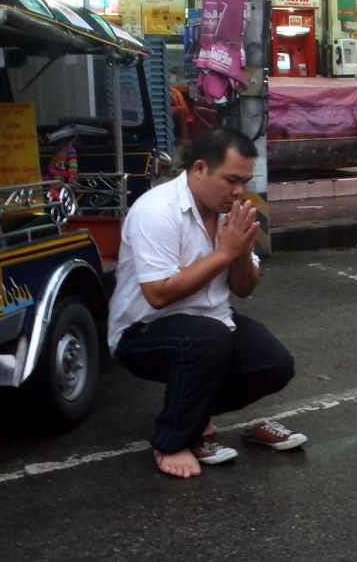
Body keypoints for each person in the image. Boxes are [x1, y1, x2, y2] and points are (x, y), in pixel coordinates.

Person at [108, 127, 307, 478]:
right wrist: (224, 253)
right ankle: (171, 441)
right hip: (142, 332)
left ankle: (192, 414)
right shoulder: (156, 210)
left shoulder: (233, 212)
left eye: (244, 181)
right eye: (231, 180)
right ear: (199, 168)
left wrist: (241, 254)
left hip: (213, 325)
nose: (238, 192)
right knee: (206, 338)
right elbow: (158, 294)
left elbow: (244, 289)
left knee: (274, 364)